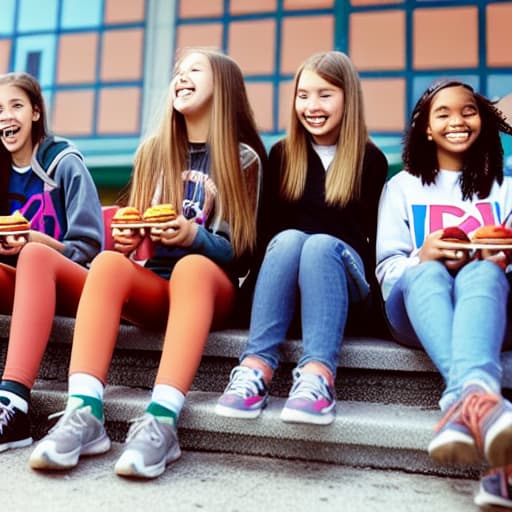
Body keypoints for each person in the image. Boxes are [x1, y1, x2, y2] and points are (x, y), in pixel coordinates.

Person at [28, 48, 266, 478]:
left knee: (192, 267)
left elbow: (242, 251)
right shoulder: (154, 152)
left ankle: (161, 420)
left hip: (213, 290)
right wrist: (125, 240)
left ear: (224, 88)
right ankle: (83, 412)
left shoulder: (243, 157)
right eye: (178, 71)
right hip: (158, 287)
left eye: (195, 70)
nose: (182, 77)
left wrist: (195, 236)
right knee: (105, 264)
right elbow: (134, 236)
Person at [215, 50, 388, 425]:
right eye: (303, 94)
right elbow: (264, 240)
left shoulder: (371, 161)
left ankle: (317, 379)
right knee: (292, 238)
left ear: (348, 98)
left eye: (325, 94)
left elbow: (371, 243)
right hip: (285, 288)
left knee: (320, 244)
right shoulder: (280, 155)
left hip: (341, 288)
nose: (312, 105)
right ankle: (256, 368)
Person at [375, 79, 512, 509]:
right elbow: (387, 269)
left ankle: (464, 400)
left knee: (483, 275)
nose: (457, 120)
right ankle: (481, 396)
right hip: (415, 309)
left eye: (468, 111)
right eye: (444, 113)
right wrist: (423, 254)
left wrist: (499, 259)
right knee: (426, 274)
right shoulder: (402, 187)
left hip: (490, 308)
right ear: (425, 128)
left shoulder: (504, 187)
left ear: (483, 120)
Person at [0, 72, 103, 452]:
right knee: (28, 256)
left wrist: (36, 242)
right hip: (22, 287)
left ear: (36, 112)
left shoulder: (65, 164)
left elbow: (90, 246)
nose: (6, 117)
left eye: (15, 106)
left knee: (34, 254)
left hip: (72, 283)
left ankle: (13, 402)